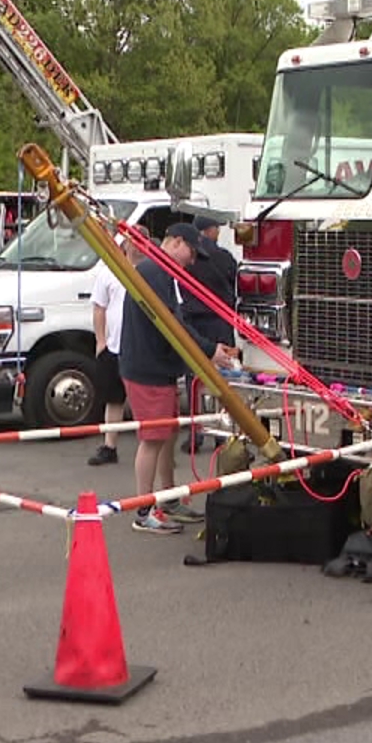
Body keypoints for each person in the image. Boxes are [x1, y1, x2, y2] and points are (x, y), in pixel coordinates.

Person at [118, 223, 237, 534]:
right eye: (192, 252)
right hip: (148, 368)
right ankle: (143, 510)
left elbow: (177, 323)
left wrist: (207, 350)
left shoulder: (160, 272)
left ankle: (167, 497)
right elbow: (172, 325)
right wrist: (209, 351)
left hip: (157, 366)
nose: (193, 260)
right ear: (177, 243)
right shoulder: (156, 273)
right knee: (153, 439)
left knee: (166, 436)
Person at [177, 214, 239, 453]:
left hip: (193, 324)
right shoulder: (224, 257)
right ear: (208, 231)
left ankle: (196, 434)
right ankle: (222, 434)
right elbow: (235, 282)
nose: (218, 233)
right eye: (216, 228)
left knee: (195, 381)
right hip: (220, 323)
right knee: (222, 380)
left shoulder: (187, 259)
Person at [86, 237, 130, 467]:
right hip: (114, 346)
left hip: (143, 349)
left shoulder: (151, 272)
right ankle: (109, 446)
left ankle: (158, 449)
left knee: (150, 398)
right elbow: (99, 308)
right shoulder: (108, 272)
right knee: (114, 399)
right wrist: (100, 341)